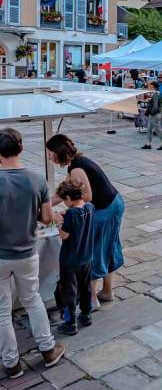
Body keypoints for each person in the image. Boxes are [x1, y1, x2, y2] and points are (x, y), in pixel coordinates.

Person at [0, 129, 65, 377]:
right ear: (22, 148)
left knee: (2, 309)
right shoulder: (36, 178)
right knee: (32, 299)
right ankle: (48, 349)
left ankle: (11, 364)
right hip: (26, 252)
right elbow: (48, 217)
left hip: (0, 255)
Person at [46, 133, 125, 311]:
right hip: (114, 203)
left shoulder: (76, 168)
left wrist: (69, 212)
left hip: (105, 209)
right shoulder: (79, 161)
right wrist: (44, 205)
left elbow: (86, 197)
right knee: (108, 247)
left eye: (50, 153)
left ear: (58, 152)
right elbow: (63, 192)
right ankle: (107, 292)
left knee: (95, 250)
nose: (49, 156)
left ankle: (91, 300)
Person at [55, 179, 94, 335]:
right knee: (85, 288)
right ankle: (86, 314)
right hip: (86, 257)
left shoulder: (71, 213)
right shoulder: (90, 207)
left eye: (65, 200)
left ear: (69, 199)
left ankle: (69, 321)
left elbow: (64, 235)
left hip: (70, 260)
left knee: (68, 292)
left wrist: (57, 223)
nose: (65, 203)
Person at [141, 81, 162, 151]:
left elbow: (155, 106)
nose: (149, 87)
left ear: (153, 87)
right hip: (155, 114)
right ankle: (148, 144)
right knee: (149, 129)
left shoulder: (155, 94)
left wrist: (151, 112)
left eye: (150, 86)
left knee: (158, 130)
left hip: (155, 115)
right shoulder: (157, 94)